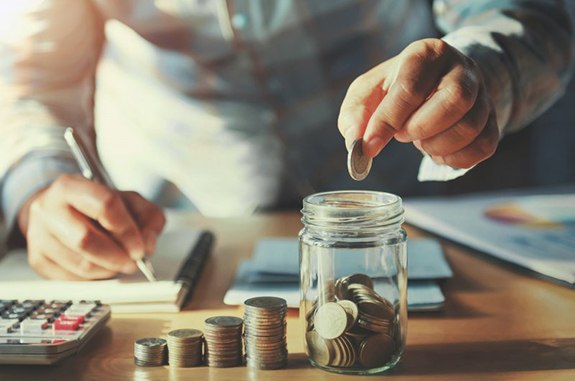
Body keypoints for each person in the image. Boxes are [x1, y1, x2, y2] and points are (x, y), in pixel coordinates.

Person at [0, 1, 573, 280]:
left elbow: (533, 15)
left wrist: (480, 73)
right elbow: (32, 78)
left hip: (425, 216)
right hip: (179, 236)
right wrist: (39, 185)